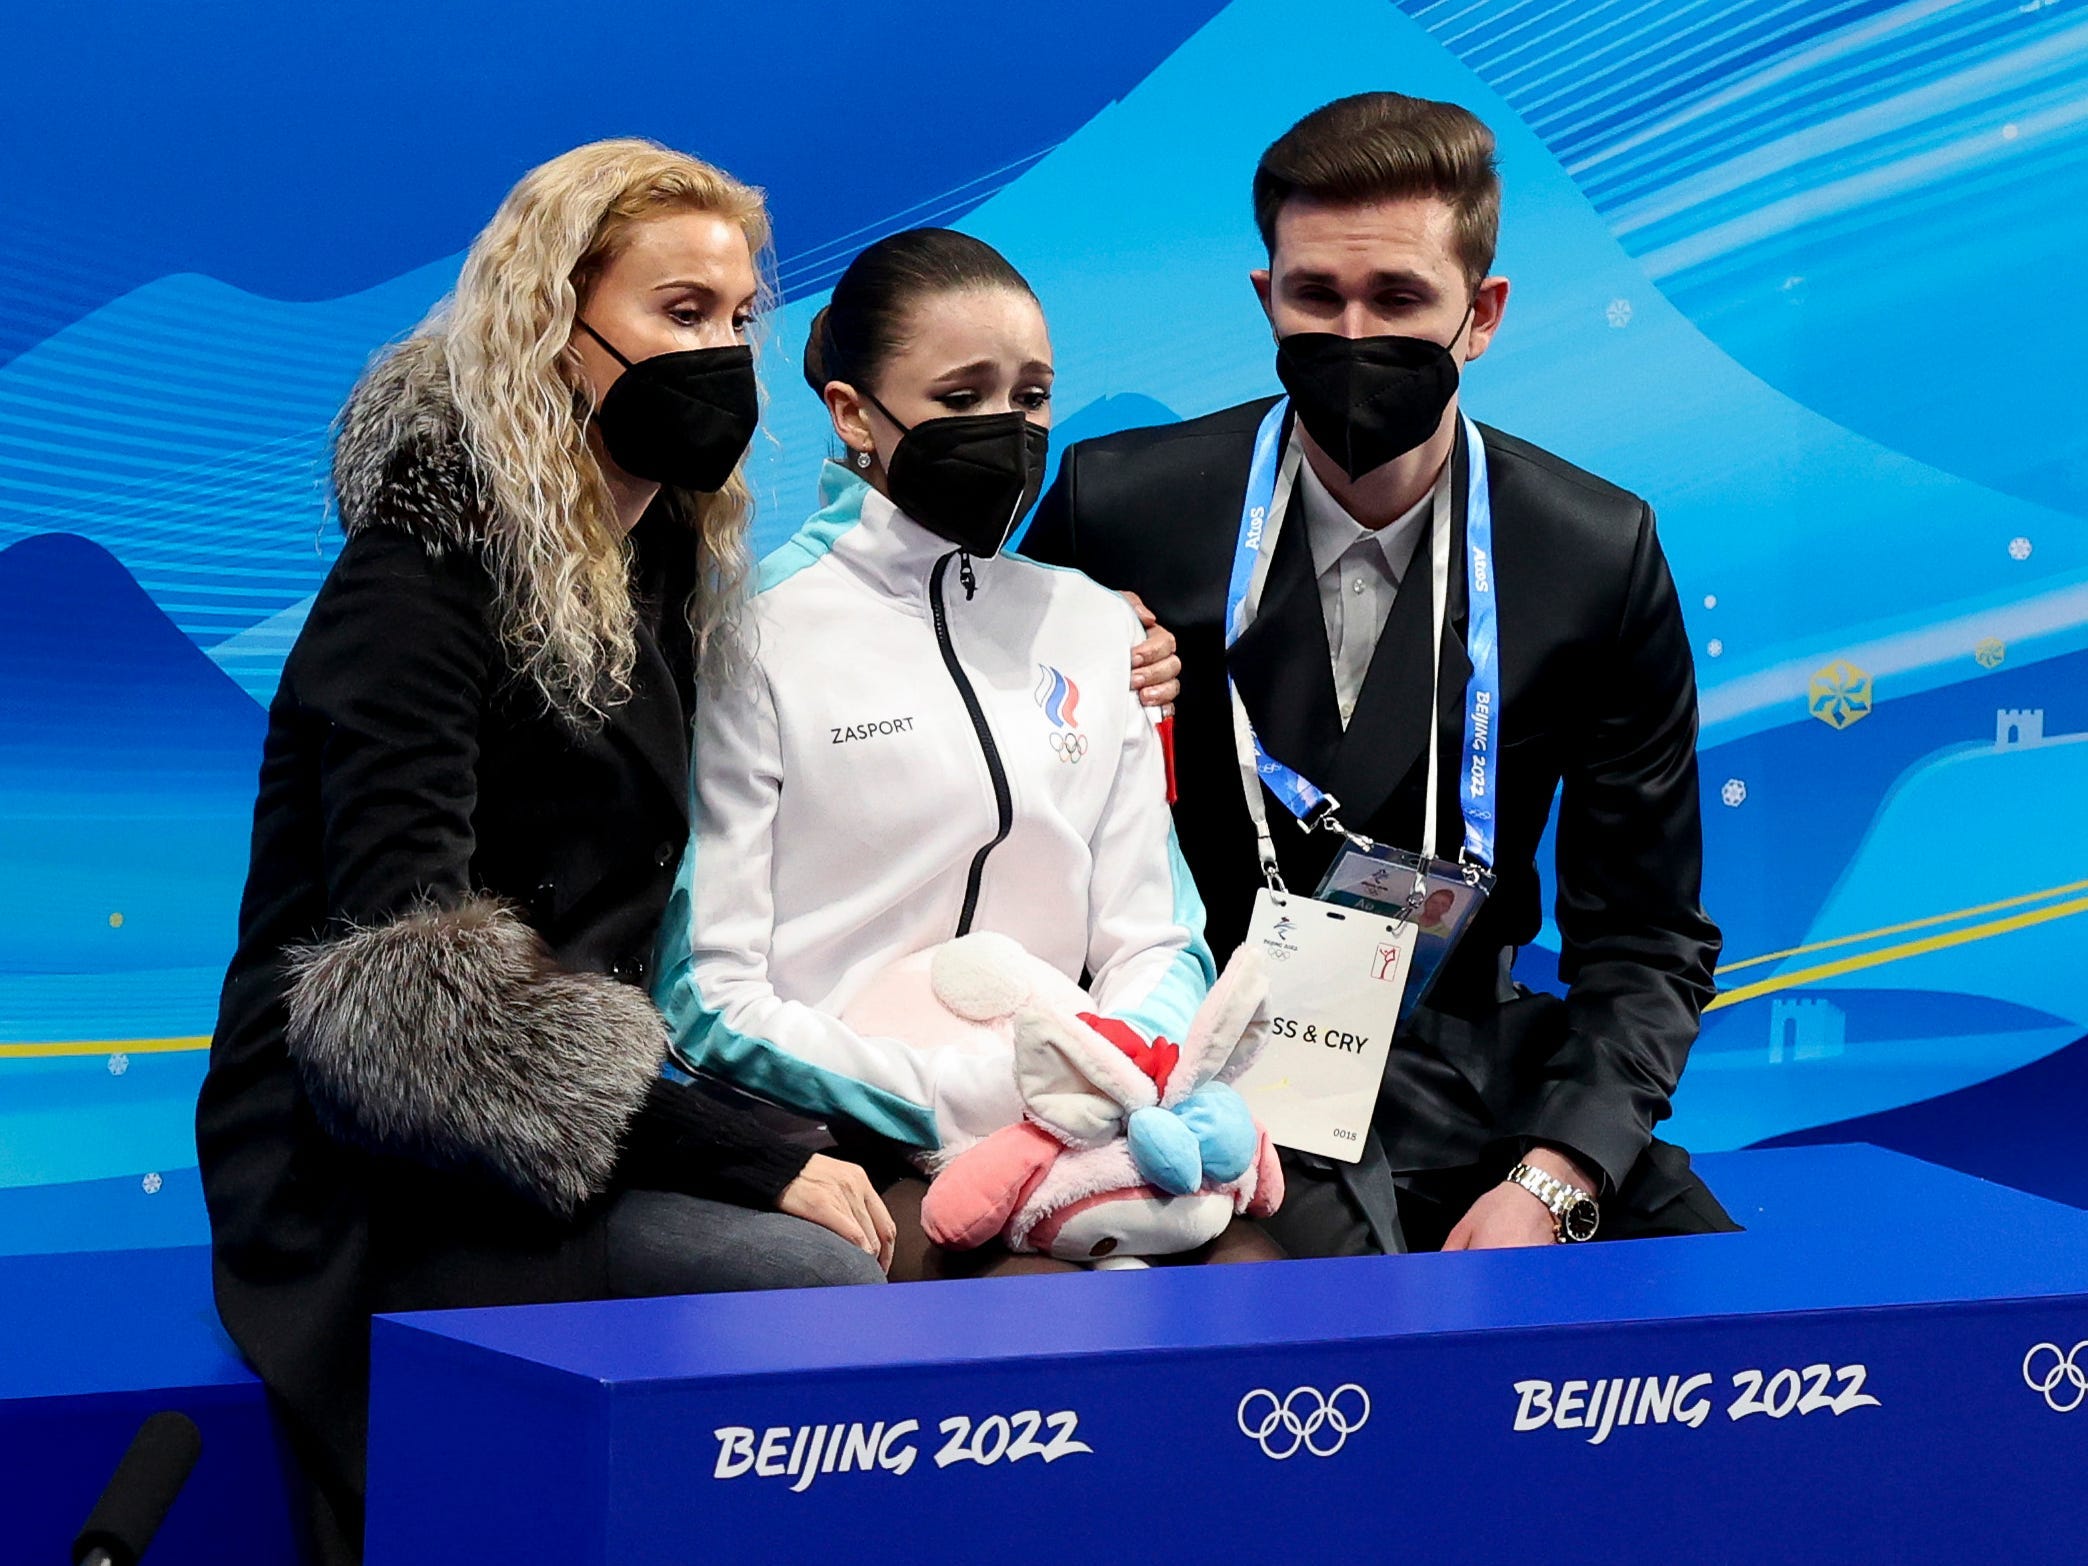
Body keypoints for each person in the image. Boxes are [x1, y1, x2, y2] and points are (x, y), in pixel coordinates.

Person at [194, 140, 897, 1566]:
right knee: (806, 1268)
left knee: (923, 1192)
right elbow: (406, 995)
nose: (723, 351)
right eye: (677, 313)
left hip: (581, 1107)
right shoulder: (420, 571)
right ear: (550, 329)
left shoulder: (653, 553)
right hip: (385, 1151)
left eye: (741, 315)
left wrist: (1108, 652)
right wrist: (738, 1155)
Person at [1021, 93, 1736, 1255]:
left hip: (1481, 1075)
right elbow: (997, 807)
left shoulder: (1591, 552)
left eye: (1399, 298)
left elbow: (1648, 935)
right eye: (1317, 297)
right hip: (1197, 1073)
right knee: (1353, 1306)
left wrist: (1557, 1178)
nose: (1353, 337)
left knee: (1733, 1320)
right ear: (1267, 299)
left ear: (1483, 313)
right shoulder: (1125, 510)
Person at [652, 228, 1279, 1277]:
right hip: (859, 1131)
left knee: (1262, 1283)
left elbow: (1156, 935)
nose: (1007, 428)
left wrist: (1117, 1064)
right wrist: (961, 1090)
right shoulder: (752, 634)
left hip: (1097, 1116)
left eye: (1030, 396)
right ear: (853, 413)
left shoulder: (1094, 623)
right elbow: (710, 996)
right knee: (1043, 1309)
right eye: (960, 397)